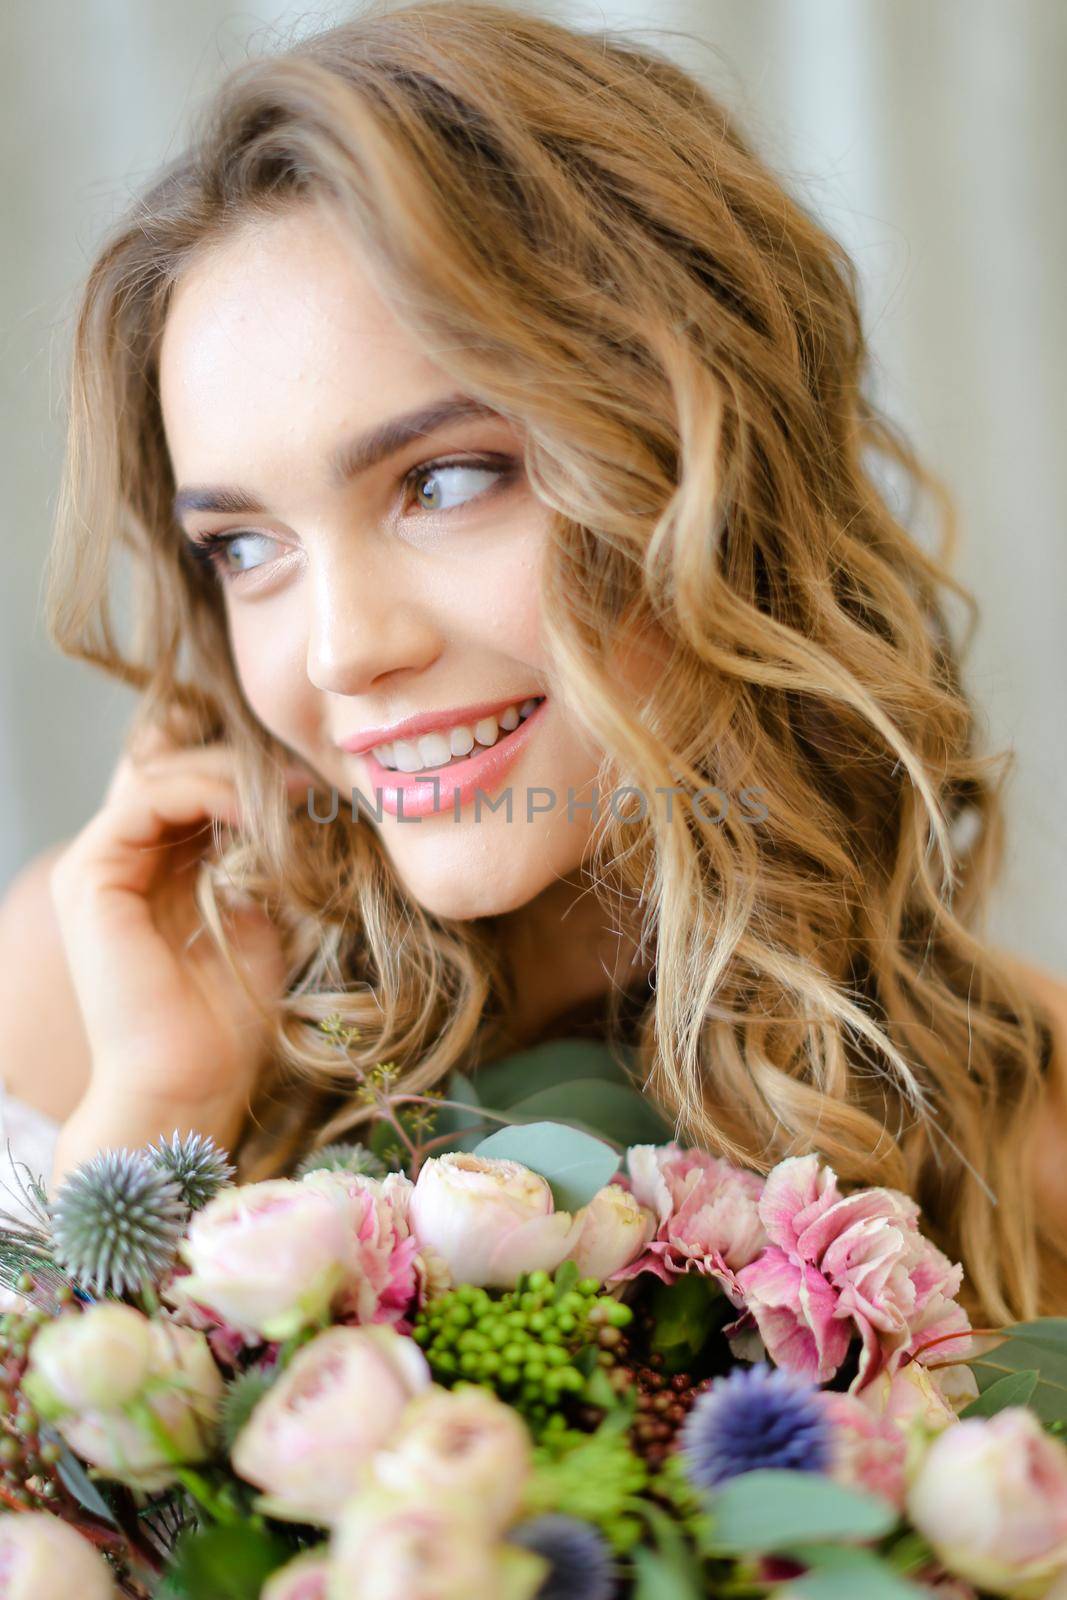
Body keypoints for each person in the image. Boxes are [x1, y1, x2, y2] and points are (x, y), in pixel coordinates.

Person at [0, 0, 1064, 1330]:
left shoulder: (1026, 1118)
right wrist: (152, 1117)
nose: (342, 651)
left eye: (444, 481)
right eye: (244, 545)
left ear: (707, 465)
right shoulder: (99, 986)